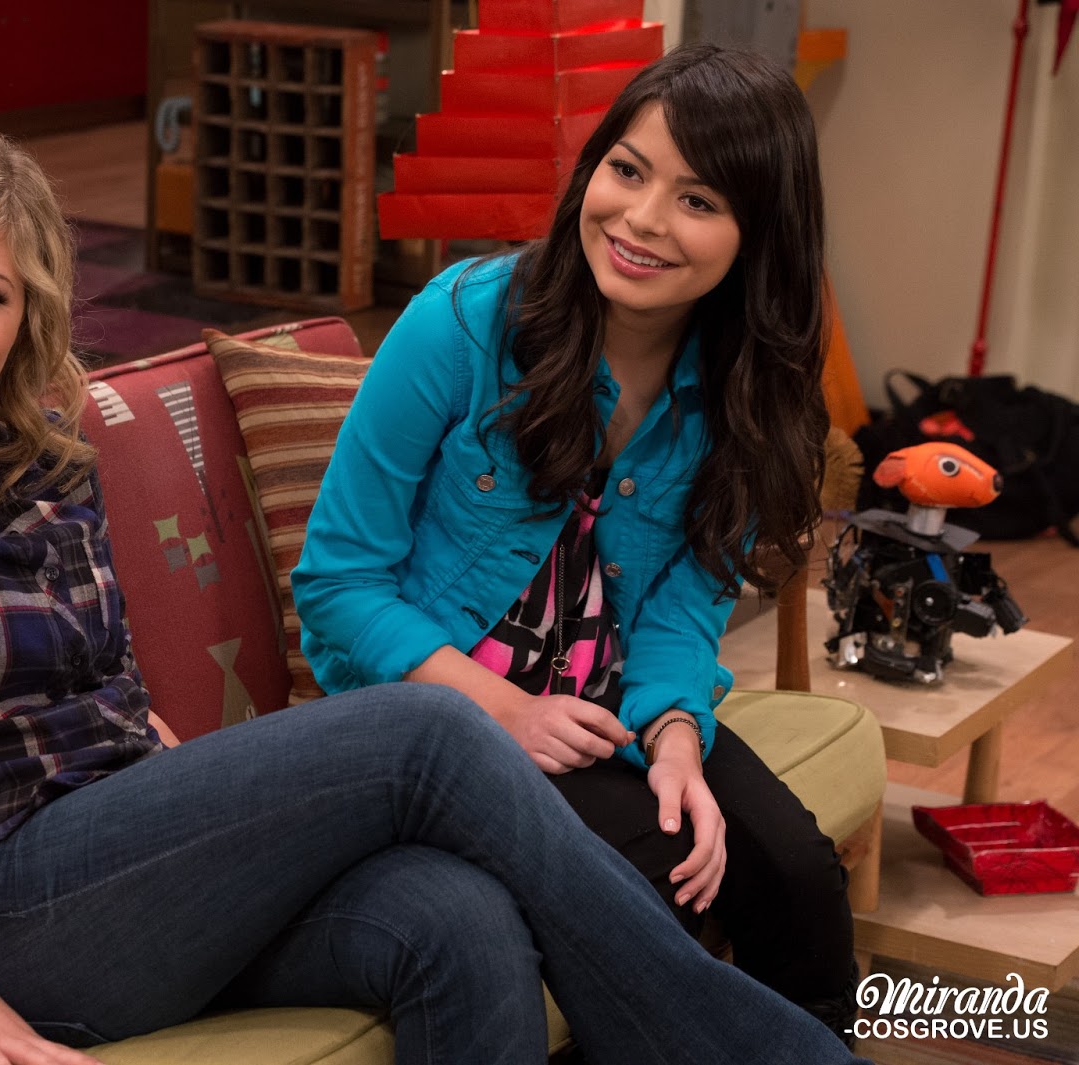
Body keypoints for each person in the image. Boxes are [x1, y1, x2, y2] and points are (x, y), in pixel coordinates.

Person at [0, 120, 870, 1065]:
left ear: (25, 314)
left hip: (132, 873)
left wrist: (228, 824)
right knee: (429, 730)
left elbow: (110, 706)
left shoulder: (41, 466)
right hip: (0, 909)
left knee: (455, 918)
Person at [293, 43, 858, 1041]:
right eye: (627, 170)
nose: (640, 219)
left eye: (697, 199)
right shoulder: (460, 325)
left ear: (756, 236)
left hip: (609, 708)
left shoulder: (740, 389)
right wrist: (507, 712)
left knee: (792, 871)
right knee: (660, 869)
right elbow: (337, 585)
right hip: (435, 718)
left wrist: (676, 738)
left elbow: (684, 608)